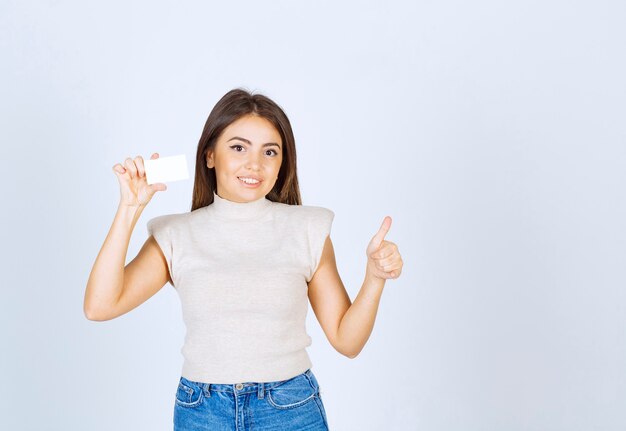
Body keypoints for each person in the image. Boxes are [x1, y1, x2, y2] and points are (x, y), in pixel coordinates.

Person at [83, 88, 404, 430]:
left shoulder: (307, 228)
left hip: (289, 407)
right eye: (238, 147)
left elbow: (347, 341)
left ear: (282, 164)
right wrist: (129, 209)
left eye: (270, 152)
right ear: (210, 155)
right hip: (202, 412)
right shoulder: (175, 235)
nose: (255, 164)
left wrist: (374, 278)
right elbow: (100, 306)